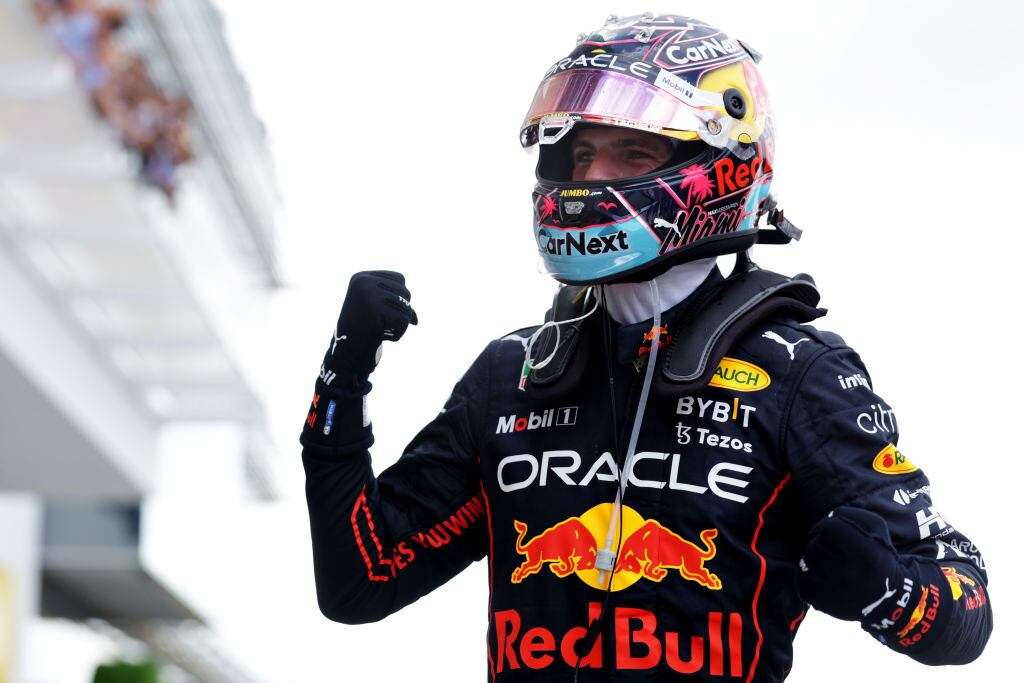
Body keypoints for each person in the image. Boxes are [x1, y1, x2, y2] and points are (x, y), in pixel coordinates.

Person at [300, 13, 992, 682]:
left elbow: (966, 604)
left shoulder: (797, 372)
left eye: (633, 151)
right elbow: (362, 581)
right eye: (580, 152)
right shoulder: (512, 372)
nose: (592, 177)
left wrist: (890, 588)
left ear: (720, 165)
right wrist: (343, 378)